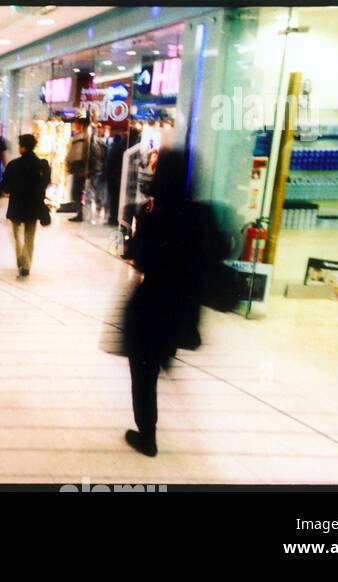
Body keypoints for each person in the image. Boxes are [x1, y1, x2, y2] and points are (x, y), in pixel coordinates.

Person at [120, 149, 222, 456]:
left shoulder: (154, 215)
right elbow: (215, 252)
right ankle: (167, 358)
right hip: (183, 308)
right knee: (159, 354)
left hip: (151, 306)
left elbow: (138, 258)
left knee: (143, 372)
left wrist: (135, 224)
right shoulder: (202, 215)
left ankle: (147, 436)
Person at [2, 134, 52, 277]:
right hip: (33, 205)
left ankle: (20, 259)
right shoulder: (41, 165)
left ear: (22, 147)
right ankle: (26, 264)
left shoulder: (13, 165)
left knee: (16, 235)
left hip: (16, 205)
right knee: (30, 235)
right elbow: (45, 183)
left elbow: (6, 188)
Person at [65, 117, 90, 222]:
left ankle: (80, 214)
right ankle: (79, 213)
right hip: (79, 168)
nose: (74, 125)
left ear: (81, 125)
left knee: (77, 191)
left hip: (80, 168)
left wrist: (83, 168)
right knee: (77, 191)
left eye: (76, 123)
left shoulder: (82, 137)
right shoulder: (82, 136)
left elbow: (79, 154)